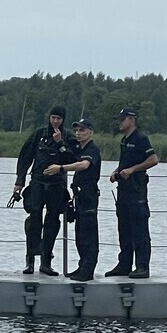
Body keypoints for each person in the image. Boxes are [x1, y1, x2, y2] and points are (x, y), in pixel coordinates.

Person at [12, 105, 79, 275]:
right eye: (53, 118)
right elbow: (25, 157)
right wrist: (19, 181)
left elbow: (73, 160)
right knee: (34, 219)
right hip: (37, 183)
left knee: (52, 222)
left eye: (59, 119)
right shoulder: (38, 134)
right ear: (49, 117)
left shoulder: (69, 137)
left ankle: (46, 262)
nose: (55, 121)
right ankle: (30, 261)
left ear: (63, 120)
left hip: (57, 185)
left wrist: (60, 143)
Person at [104, 107, 160, 278]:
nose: (119, 122)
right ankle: (124, 265)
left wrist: (133, 170)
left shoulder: (141, 139)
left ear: (131, 120)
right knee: (124, 229)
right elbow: (125, 163)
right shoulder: (124, 140)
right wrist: (117, 172)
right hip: (123, 191)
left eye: (122, 119)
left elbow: (153, 160)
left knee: (139, 230)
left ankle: (142, 267)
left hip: (137, 191)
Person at [62, 118, 103, 280]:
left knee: (88, 233)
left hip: (88, 195)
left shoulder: (92, 149)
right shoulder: (80, 148)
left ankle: (88, 269)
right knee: (80, 233)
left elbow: (84, 165)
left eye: (83, 130)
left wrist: (61, 168)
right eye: (77, 130)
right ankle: (82, 266)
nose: (79, 133)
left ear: (91, 132)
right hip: (79, 195)